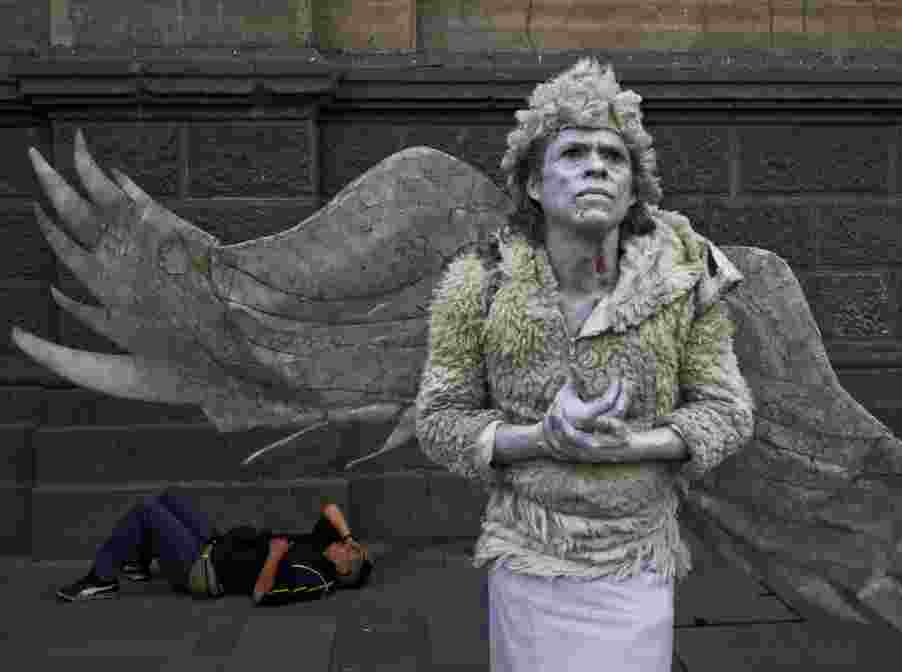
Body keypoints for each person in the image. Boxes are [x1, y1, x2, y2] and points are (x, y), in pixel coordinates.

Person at [416, 58, 754, 671]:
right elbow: (439, 419)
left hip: (637, 560)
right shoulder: (479, 282)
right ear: (536, 186)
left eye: (613, 155)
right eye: (573, 153)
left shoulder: (683, 280)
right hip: (529, 554)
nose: (597, 164)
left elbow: (728, 412)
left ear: (633, 189)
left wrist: (633, 446)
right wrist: (538, 438)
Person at [56, 489, 373, 605]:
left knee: (147, 510)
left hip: (203, 571)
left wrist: (275, 556)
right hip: (215, 544)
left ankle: (101, 580)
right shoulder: (323, 547)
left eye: (349, 553)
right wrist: (347, 538)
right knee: (169, 497)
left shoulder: (314, 578)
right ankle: (138, 564)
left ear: (343, 570)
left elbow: (261, 595)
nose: (344, 546)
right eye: (348, 546)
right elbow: (331, 508)